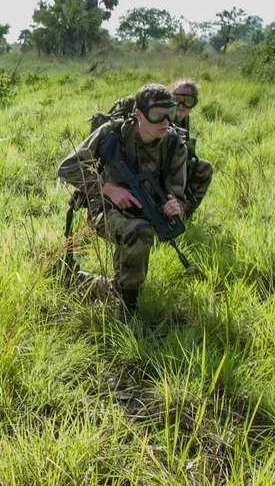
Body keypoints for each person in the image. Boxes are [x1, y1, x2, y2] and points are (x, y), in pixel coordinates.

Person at [58, 83, 187, 314]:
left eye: (171, 114)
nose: (166, 122)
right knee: (138, 232)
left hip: (146, 212)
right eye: (158, 116)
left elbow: (177, 191)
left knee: (136, 240)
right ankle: (127, 311)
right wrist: (107, 189)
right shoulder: (112, 134)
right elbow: (67, 168)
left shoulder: (175, 144)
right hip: (104, 209)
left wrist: (175, 206)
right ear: (139, 114)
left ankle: (84, 281)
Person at [170, 79, 214, 218]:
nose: (181, 105)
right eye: (177, 99)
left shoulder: (185, 120)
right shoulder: (162, 116)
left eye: (188, 101)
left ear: (193, 104)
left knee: (203, 168)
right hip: (161, 168)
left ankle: (184, 215)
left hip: (178, 166)